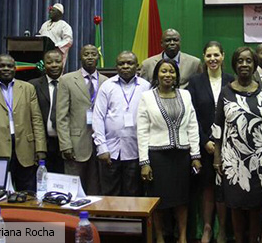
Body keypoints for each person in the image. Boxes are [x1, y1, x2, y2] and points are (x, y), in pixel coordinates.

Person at [213, 47, 262, 243]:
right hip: (233, 162)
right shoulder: (226, 92)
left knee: (256, 207)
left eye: (248, 61)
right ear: (234, 64)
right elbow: (218, 130)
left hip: (260, 162)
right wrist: (217, 159)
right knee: (236, 206)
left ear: (254, 64)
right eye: (240, 61)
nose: (244, 64)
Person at [137, 58, 201, 243]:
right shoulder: (147, 97)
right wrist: (144, 163)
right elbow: (142, 131)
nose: (168, 75)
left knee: (182, 200)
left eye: (171, 71)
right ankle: (159, 236)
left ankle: (181, 236)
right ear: (157, 74)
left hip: (181, 156)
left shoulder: (185, 95)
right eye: (164, 71)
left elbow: (192, 126)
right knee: (159, 200)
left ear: (177, 75)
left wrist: (195, 155)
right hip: (157, 156)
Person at [0, 54, 46, 191]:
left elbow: (36, 120)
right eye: (1, 66)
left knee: (27, 194)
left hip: (26, 149)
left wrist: (41, 148)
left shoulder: (28, 88)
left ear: (15, 68)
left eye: (10, 66)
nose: (6, 69)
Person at [188, 41, 234, 243]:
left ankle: (223, 229)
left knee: (223, 187)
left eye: (216, 55)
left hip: (230, 145)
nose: (213, 59)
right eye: (209, 55)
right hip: (204, 145)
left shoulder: (232, 81)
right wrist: (205, 140)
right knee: (206, 187)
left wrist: (223, 142)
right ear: (204, 58)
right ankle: (207, 228)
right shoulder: (195, 82)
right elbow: (192, 116)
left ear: (223, 56)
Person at [93, 51, 150, 196]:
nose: (125, 66)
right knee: (110, 194)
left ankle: (131, 220)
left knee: (133, 194)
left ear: (137, 66)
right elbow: (98, 117)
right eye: (121, 64)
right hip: (111, 151)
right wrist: (102, 147)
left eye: (129, 63)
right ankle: (111, 219)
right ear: (116, 67)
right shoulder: (107, 86)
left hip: (136, 151)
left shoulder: (146, 87)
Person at [56, 44, 108, 195]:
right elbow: (61, 116)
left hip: (100, 143)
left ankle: (94, 217)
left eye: (93, 54)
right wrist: (65, 144)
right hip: (76, 143)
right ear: (80, 57)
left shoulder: (107, 81)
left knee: (96, 187)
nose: (90, 57)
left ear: (98, 57)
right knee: (73, 188)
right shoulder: (67, 80)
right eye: (86, 54)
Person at [29, 49, 65, 173]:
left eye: (57, 61)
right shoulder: (32, 85)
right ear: (44, 64)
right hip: (42, 143)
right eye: (49, 62)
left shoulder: (71, 83)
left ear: (63, 63)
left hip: (65, 143)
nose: (54, 65)